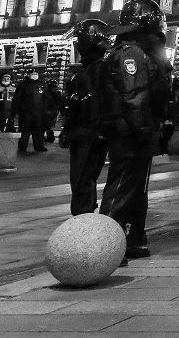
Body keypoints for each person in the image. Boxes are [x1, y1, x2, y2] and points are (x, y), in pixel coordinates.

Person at [99, 0, 172, 262]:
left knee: (136, 189)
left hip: (136, 131)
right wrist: (144, 131)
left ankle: (131, 238)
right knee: (121, 188)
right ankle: (103, 242)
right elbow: (135, 95)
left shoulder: (137, 50)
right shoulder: (132, 52)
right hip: (130, 133)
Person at [60, 19, 111, 215]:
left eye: (81, 38)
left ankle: (83, 219)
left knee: (83, 179)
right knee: (80, 179)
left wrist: (99, 130)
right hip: (83, 131)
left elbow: (100, 102)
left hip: (90, 131)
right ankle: (83, 215)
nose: (78, 44)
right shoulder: (88, 69)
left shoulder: (100, 68)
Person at [14, 70, 49, 152]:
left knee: (38, 129)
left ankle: (39, 146)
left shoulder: (42, 85)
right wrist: (17, 110)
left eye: (36, 74)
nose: (34, 75)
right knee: (24, 129)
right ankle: (22, 146)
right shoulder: (23, 85)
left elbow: (46, 98)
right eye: (33, 74)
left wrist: (44, 109)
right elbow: (17, 98)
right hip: (25, 111)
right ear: (28, 75)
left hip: (38, 111)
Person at [44, 79, 63, 144]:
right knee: (48, 124)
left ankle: (50, 137)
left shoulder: (51, 93)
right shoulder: (57, 93)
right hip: (53, 110)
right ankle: (49, 136)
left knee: (48, 124)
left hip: (51, 110)